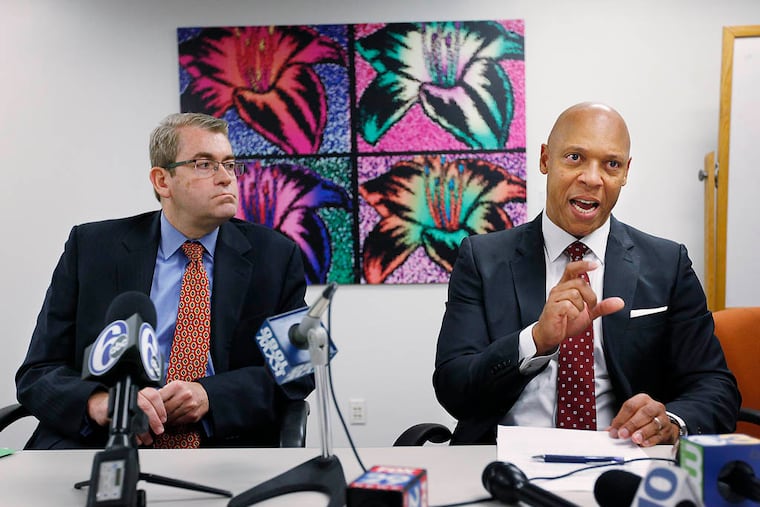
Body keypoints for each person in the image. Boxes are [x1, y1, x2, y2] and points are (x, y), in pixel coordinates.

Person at [433, 102, 740, 445]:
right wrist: (536, 340)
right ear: (546, 159)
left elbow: (715, 386)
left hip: (624, 460)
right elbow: (453, 387)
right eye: (575, 157)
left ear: (625, 172)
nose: (592, 179)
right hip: (507, 461)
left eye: (611, 164)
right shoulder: (482, 258)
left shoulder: (667, 264)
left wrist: (669, 421)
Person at [16, 112, 313, 449]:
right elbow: (37, 372)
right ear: (162, 181)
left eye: (230, 165)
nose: (226, 178)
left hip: (222, 442)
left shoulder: (275, 256)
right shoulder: (92, 249)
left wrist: (208, 395)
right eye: (205, 164)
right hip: (102, 442)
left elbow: (298, 370)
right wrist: (99, 403)